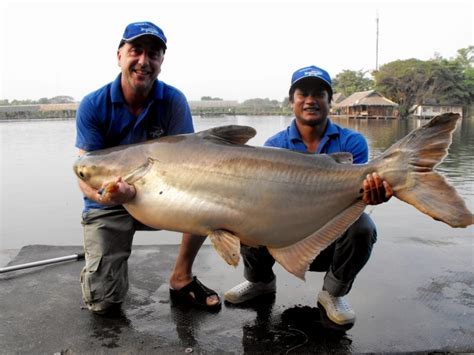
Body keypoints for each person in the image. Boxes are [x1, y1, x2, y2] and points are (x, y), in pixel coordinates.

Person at [224, 65, 393, 326]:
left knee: (363, 227)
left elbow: (354, 202)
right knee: (242, 214)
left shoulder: (353, 143)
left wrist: (371, 194)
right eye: (303, 93)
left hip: (330, 234)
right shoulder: (274, 146)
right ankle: (260, 282)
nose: (311, 100)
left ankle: (332, 294)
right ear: (292, 100)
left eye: (319, 94)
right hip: (284, 235)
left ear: (330, 101)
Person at [75, 21, 220, 315]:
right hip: (108, 202)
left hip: (161, 196)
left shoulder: (174, 100)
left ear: (161, 61)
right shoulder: (93, 104)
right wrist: (107, 196)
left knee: (208, 198)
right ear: (120, 55)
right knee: (103, 304)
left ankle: (181, 277)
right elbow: (84, 171)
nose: (144, 61)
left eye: (153, 54)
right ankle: (104, 273)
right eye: (135, 51)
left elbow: (192, 164)